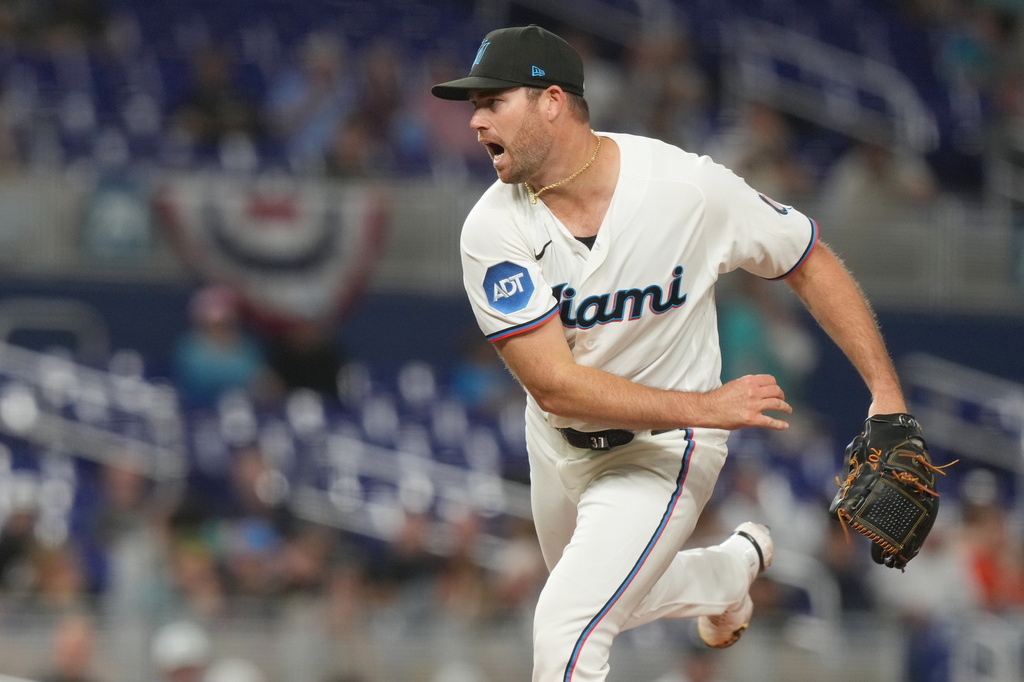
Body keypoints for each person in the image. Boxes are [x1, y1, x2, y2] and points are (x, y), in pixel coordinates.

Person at [430, 25, 910, 681]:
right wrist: (705, 404)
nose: (476, 119)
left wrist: (886, 393)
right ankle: (722, 576)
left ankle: (720, 575)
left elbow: (805, 257)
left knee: (566, 627)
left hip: (665, 449)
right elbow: (554, 387)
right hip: (560, 441)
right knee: (608, 595)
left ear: (552, 102)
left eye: (493, 101)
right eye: (474, 106)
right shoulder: (494, 228)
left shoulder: (684, 188)